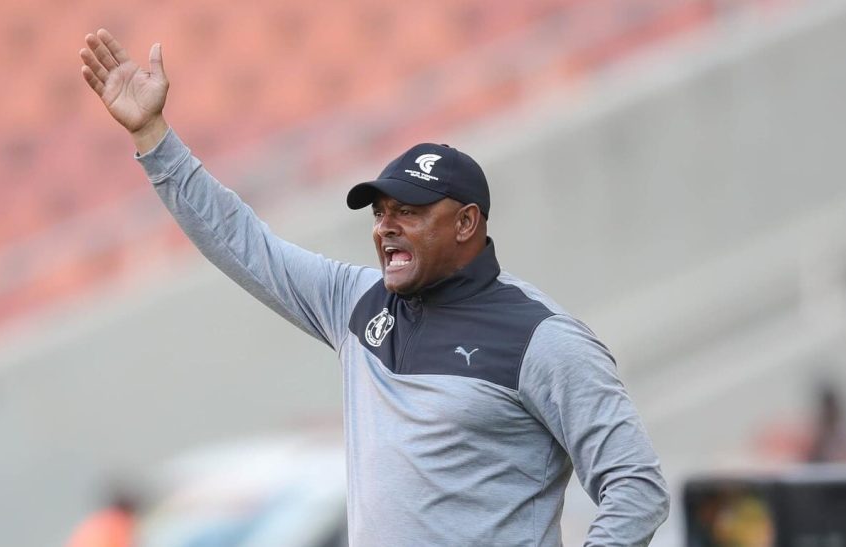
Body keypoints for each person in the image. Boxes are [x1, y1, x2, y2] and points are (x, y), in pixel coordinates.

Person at [79, 28, 670, 546]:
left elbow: (635, 486)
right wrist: (155, 136)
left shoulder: (542, 339)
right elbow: (242, 242)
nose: (386, 226)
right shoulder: (357, 302)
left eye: (409, 211)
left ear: (466, 223)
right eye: (379, 211)